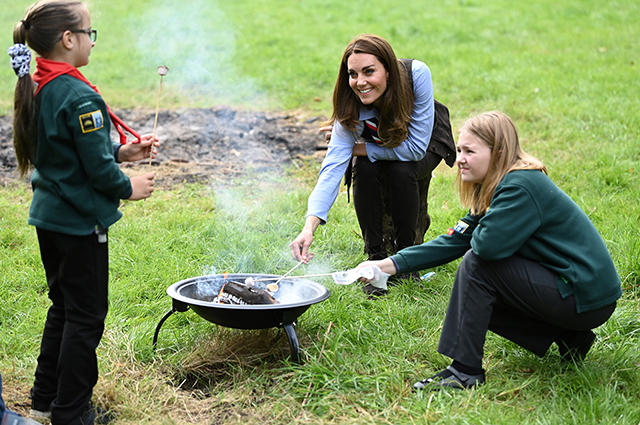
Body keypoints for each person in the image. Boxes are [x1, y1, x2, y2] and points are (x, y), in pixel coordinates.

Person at [357, 111, 622, 390]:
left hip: (585, 295)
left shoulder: (519, 186)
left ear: (499, 153)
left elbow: (484, 247)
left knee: (477, 268)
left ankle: (464, 371)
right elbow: (454, 240)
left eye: (469, 151)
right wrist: (385, 265)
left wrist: (479, 218)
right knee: (475, 294)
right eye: (459, 150)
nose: (459, 159)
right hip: (580, 295)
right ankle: (569, 337)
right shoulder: (501, 184)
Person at [8, 1, 158, 423]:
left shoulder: (37, 81)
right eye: (89, 32)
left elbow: (65, 150)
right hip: (78, 223)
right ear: (68, 39)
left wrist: (122, 151)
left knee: (63, 307)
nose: (93, 40)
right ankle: (72, 413)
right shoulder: (78, 94)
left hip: (49, 216)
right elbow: (97, 170)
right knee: (87, 318)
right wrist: (129, 185)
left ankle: (43, 402)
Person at [290, 34, 454, 295]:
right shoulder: (349, 106)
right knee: (363, 166)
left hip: (425, 142)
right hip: (381, 138)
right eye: (353, 74)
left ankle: (405, 260)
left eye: (369, 71)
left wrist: (357, 148)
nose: (360, 82)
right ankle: (374, 259)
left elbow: (414, 149)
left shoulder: (416, 74)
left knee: (401, 169)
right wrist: (308, 227)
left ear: (388, 70)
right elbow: (332, 168)